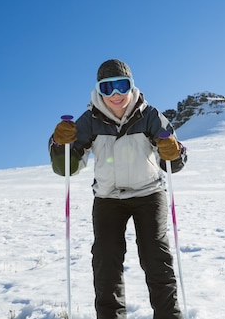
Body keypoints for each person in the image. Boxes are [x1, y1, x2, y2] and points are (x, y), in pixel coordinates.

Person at [49, 59, 187, 319]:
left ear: (132, 86)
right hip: (108, 198)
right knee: (106, 259)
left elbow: (174, 160)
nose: (115, 95)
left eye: (122, 86)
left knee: (156, 256)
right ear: (99, 90)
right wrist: (59, 143)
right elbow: (66, 167)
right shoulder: (89, 120)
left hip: (148, 193)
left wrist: (172, 154)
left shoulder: (149, 115)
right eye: (107, 88)